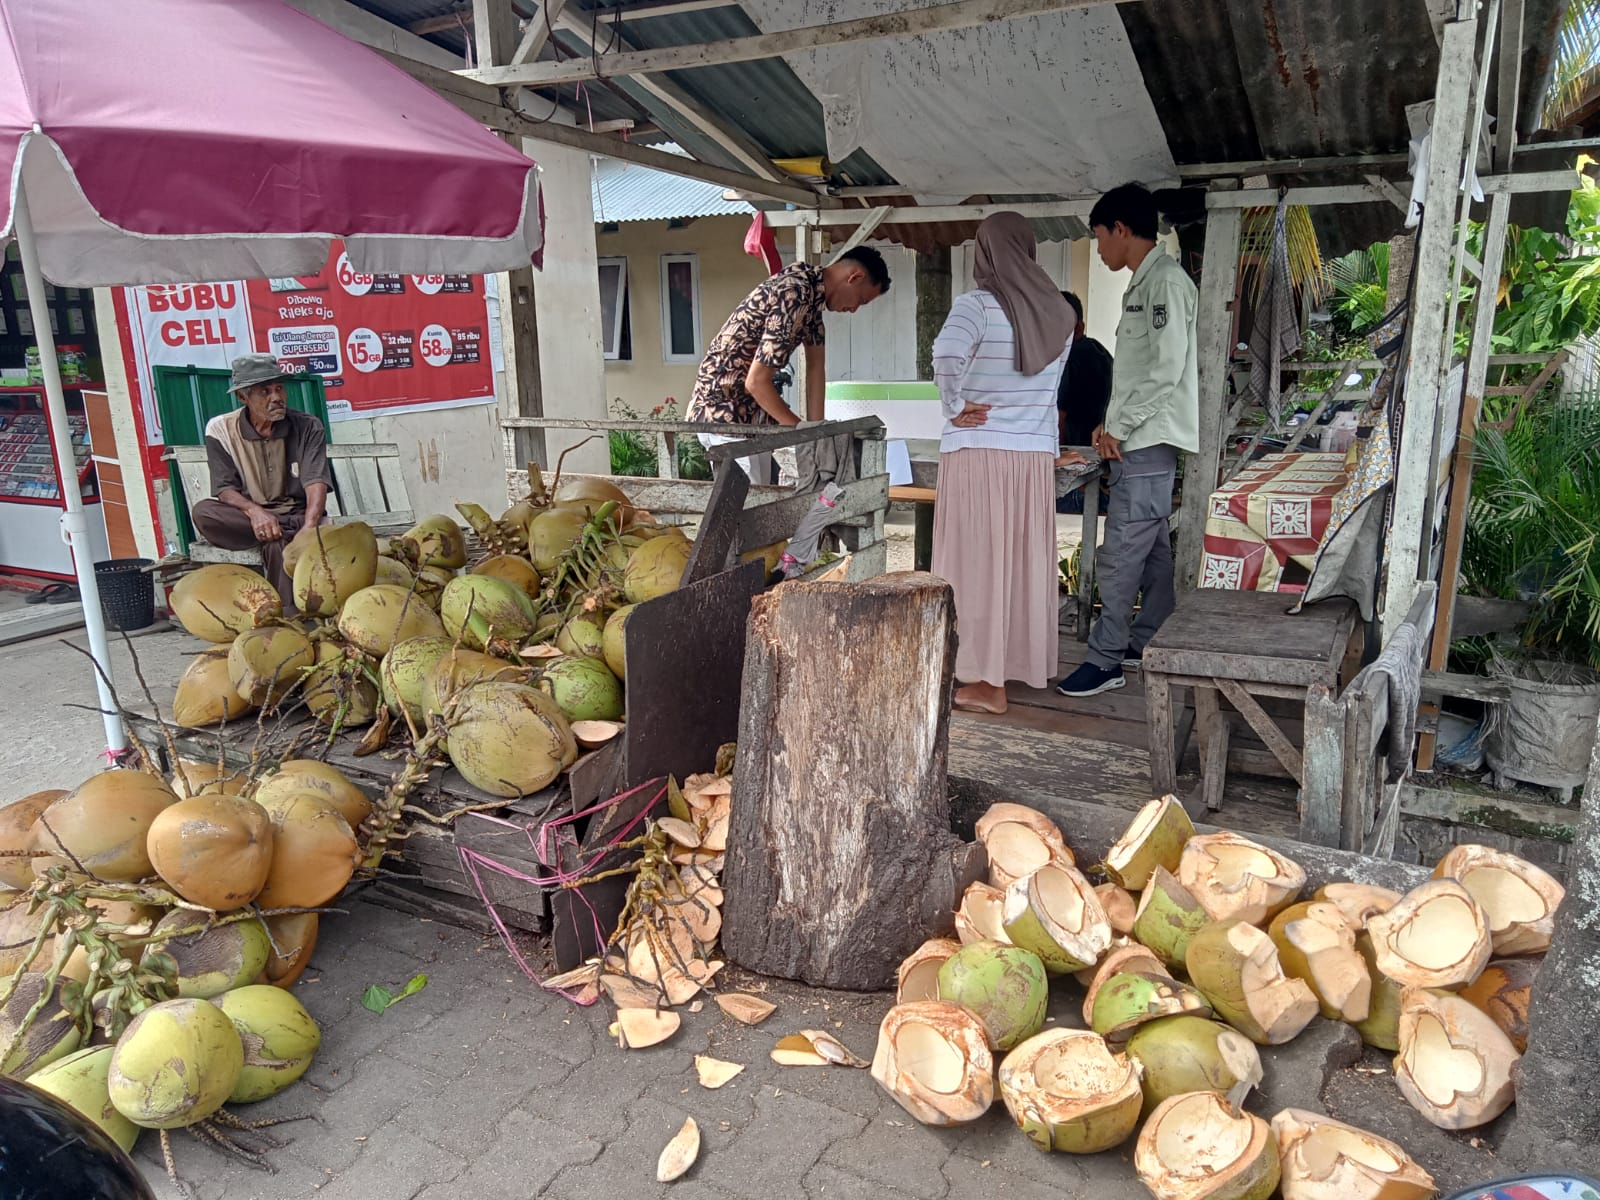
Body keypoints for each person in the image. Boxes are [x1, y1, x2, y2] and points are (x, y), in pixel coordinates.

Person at [930, 211, 1076, 715]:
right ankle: (1015, 667)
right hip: (1032, 456)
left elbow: (945, 355)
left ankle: (985, 682)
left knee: (973, 564)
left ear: (985, 251)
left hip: (979, 451)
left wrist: (953, 407)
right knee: (1017, 563)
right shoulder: (1059, 313)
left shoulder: (976, 306)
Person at [1057, 183, 1199, 699]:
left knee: (1119, 553)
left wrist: (1122, 425)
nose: (1098, 250)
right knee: (1153, 547)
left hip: (1148, 440)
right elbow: (1140, 374)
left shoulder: (1164, 283)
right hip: (1140, 437)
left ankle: (1105, 658)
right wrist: (1109, 423)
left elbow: (1165, 370)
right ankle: (1146, 639)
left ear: (1120, 229)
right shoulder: (1146, 283)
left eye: (1099, 237)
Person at [687, 247, 890, 478]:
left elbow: (815, 368)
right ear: (855, 277)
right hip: (725, 412)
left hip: (751, 418)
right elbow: (756, 382)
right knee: (746, 507)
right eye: (861, 301)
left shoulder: (813, 300)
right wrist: (803, 434)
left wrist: (817, 432)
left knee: (762, 501)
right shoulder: (795, 293)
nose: (853, 309)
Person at [191, 354, 331, 606]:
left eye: (279, 388)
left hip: (297, 515)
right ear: (242, 397)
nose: (276, 397)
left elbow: (315, 480)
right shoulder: (221, 429)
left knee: (277, 543)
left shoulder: (308, 426)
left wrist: (310, 526)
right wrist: (255, 512)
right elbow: (224, 488)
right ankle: (285, 531)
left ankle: (288, 619)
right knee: (204, 512)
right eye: (264, 391)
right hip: (247, 519)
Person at [1054, 289, 1114, 516]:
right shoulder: (1101, 353)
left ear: (1079, 327)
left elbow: (1059, 416)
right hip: (1098, 464)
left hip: (1074, 471)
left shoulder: (1072, 356)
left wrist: (1055, 454)